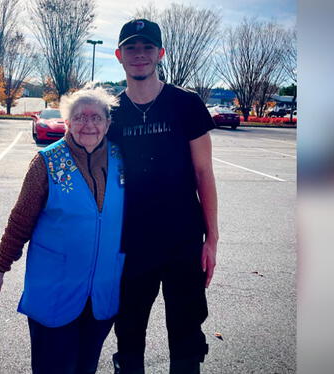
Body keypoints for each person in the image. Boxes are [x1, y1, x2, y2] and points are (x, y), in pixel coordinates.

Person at [0, 86, 125, 374]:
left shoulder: (122, 161)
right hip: (55, 294)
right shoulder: (46, 162)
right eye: (80, 117)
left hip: (102, 295)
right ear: (68, 122)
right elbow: (20, 222)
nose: (88, 124)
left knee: (86, 368)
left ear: (108, 124)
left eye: (96, 117)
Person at [107, 19, 219, 374]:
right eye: (131, 48)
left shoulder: (186, 104)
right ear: (119, 55)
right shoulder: (110, 113)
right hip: (129, 241)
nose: (139, 55)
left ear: (160, 53)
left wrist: (211, 239)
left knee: (186, 335)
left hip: (182, 240)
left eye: (147, 48)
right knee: (128, 333)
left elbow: (204, 172)